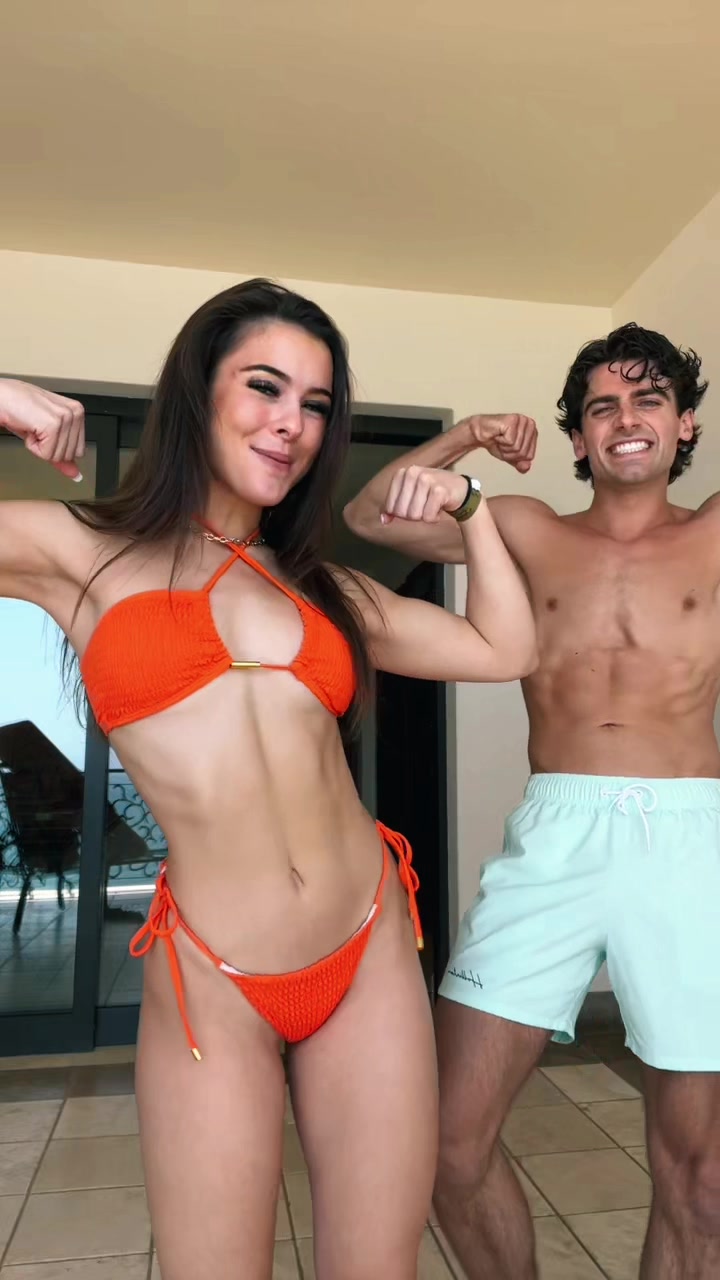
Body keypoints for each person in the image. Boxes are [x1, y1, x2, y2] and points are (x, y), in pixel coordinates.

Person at [0, 278, 537, 1280]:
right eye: (265, 386)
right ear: (199, 389)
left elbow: (504, 645)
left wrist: (470, 507)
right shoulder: (77, 549)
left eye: (316, 403)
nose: (292, 422)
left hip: (367, 946)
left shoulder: (322, 586)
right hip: (216, 974)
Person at [344, 321, 720, 1280]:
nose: (625, 420)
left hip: (690, 840)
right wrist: (467, 435)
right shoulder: (524, 526)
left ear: (684, 425)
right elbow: (370, 518)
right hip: (557, 833)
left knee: (703, 1181)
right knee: (447, 1144)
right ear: (579, 435)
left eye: (649, 400)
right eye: (603, 406)